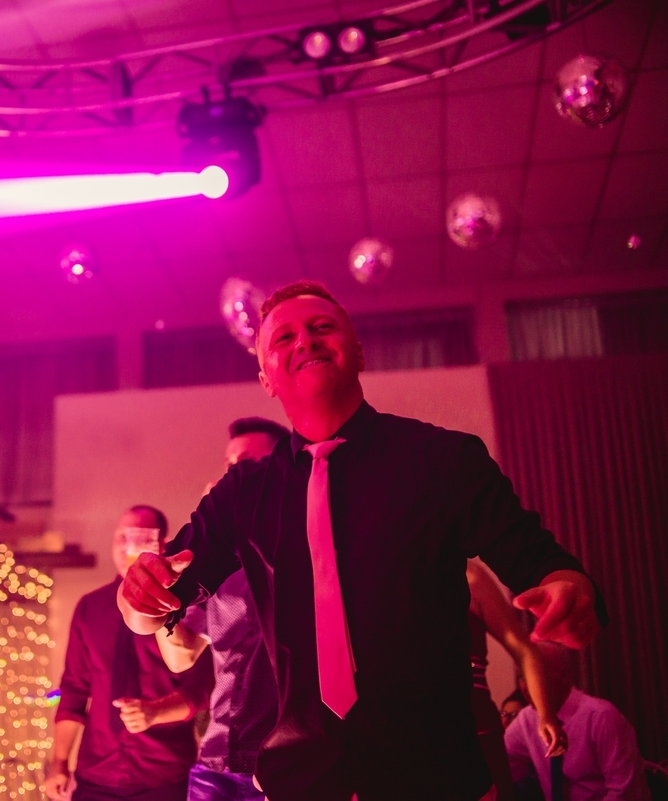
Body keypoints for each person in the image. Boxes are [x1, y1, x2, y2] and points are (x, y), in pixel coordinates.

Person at [119, 280, 604, 801]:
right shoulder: (244, 491)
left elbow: (534, 554)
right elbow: (164, 596)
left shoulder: (444, 460)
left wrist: (567, 583)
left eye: (322, 327)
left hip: (437, 776)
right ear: (266, 379)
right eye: (283, 338)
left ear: (358, 351)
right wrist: (138, 598)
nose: (304, 341)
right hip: (301, 779)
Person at [157, 417, 288, 801]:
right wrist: (158, 600)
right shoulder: (217, 565)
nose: (232, 472)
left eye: (244, 461)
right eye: (228, 464)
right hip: (217, 760)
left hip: (284, 761)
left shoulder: (304, 550)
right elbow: (181, 656)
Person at [45, 505, 213, 801]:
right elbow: (74, 689)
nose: (127, 547)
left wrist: (155, 712)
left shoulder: (189, 604)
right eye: (121, 537)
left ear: (162, 544)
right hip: (96, 772)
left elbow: (202, 688)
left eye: (139, 538)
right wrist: (59, 761)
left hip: (163, 774)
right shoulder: (90, 607)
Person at [466, 559, 567, 801]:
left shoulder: (471, 576)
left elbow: (524, 650)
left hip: (476, 731)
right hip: (416, 733)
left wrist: (546, 715)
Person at [506, 643, 650, 801]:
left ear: (564, 675)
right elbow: (500, 760)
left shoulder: (601, 718)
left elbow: (625, 792)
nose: (527, 685)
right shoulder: (527, 720)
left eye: (535, 674)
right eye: (521, 676)